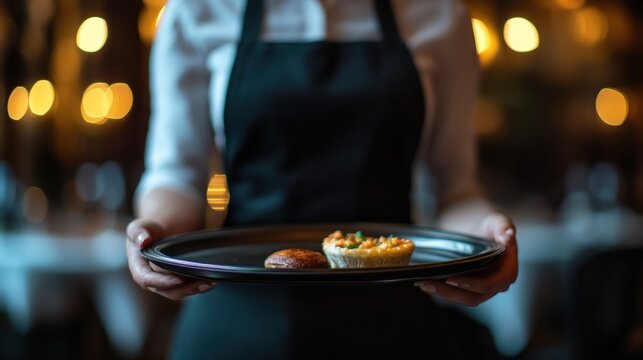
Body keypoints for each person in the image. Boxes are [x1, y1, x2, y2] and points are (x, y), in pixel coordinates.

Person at [126, 0, 518, 358]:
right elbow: (176, 175)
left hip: (392, 325)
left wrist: (488, 235)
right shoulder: (197, 10)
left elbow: (454, 186)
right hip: (240, 322)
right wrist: (155, 232)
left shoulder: (439, 13)